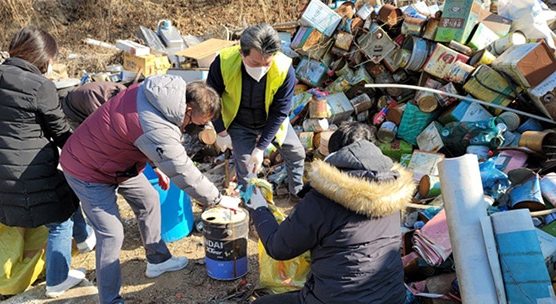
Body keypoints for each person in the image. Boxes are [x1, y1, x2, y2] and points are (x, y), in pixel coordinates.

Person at [60, 74, 231, 304]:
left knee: (149, 198)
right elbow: (182, 170)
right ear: (187, 109)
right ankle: (110, 300)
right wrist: (218, 199)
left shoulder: (163, 93)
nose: (195, 128)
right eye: (197, 123)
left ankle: (157, 260)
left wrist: (155, 164)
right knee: (111, 233)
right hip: (86, 168)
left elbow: (138, 134)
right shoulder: (157, 126)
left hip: (118, 163)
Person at [0, 25, 95, 298]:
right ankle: (57, 280)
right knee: (59, 221)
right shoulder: (39, 86)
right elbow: (60, 132)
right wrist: (89, 152)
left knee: (64, 187)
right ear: (43, 59)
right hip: (27, 177)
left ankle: (85, 240)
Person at [246, 122, 416, 304]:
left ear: (334, 156)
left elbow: (278, 247)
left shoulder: (324, 197)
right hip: (392, 298)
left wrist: (258, 207)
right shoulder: (393, 192)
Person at [207, 23, 305, 199]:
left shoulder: (284, 69)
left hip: (271, 121)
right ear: (241, 53)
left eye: (267, 63)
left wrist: (261, 148)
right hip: (238, 123)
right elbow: (210, 99)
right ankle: (253, 207)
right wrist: (221, 131)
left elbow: (280, 111)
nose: (261, 68)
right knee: (246, 169)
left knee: (297, 154)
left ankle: (296, 194)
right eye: (254, 62)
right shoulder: (223, 63)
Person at [61, 81, 127, 128]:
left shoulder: (123, 90)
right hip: (71, 109)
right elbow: (103, 124)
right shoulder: (95, 100)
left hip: (84, 97)